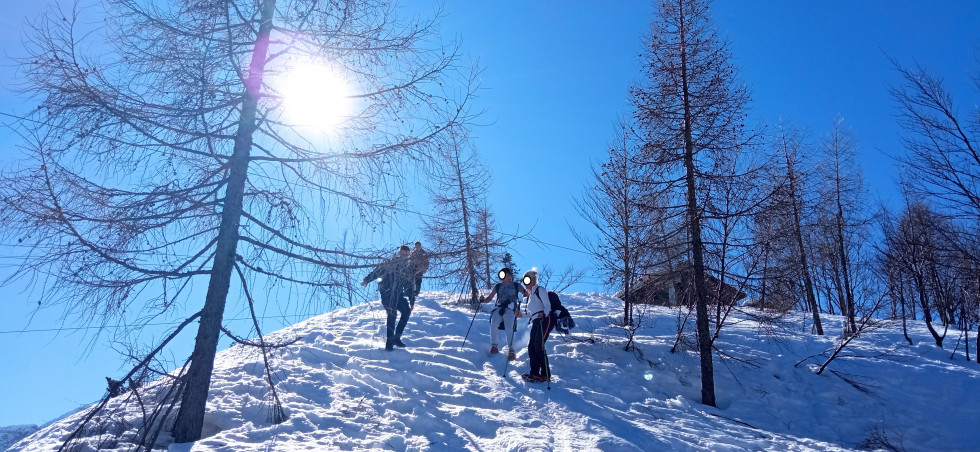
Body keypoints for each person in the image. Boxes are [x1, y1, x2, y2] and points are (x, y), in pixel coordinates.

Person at [361, 245, 414, 351]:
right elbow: (377, 271)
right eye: (403, 253)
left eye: (406, 254)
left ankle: (396, 338)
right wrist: (367, 279)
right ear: (399, 253)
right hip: (387, 292)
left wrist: (412, 300)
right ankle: (389, 342)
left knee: (406, 311)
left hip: (398, 294)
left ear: (409, 255)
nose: (404, 256)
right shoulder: (390, 263)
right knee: (392, 313)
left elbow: (409, 285)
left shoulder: (407, 269)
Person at [479, 267, 527, 360]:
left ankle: (512, 351)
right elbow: (489, 298)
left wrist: (529, 294)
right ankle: (494, 346)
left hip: (511, 309)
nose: (502, 276)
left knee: (509, 328)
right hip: (499, 308)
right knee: (493, 324)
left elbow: (525, 293)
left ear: (509, 275)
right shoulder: (498, 286)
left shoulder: (517, 285)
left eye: (504, 273)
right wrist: (482, 300)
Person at [521, 269, 552, 383]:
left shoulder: (540, 290)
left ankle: (545, 374)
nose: (525, 283)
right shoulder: (530, 296)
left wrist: (544, 313)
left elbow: (547, 305)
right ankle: (535, 373)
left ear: (533, 280)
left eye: (527, 279)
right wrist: (521, 315)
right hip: (535, 321)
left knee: (538, 346)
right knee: (531, 347)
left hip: (543, 319)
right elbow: (531, 313)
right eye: (524, 280)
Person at [409, 241, 430, 307]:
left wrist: (424, 268)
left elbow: (426, 262)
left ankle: (417, 292)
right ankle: (411, 292)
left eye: (418, 245)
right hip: (413, 269)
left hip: (420, 269)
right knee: (411, 281)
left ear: (420, 246)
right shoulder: (413, 253)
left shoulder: (424, 253)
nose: (417, 247)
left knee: (418, 281)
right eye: (416, 246)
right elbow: (410, 260)